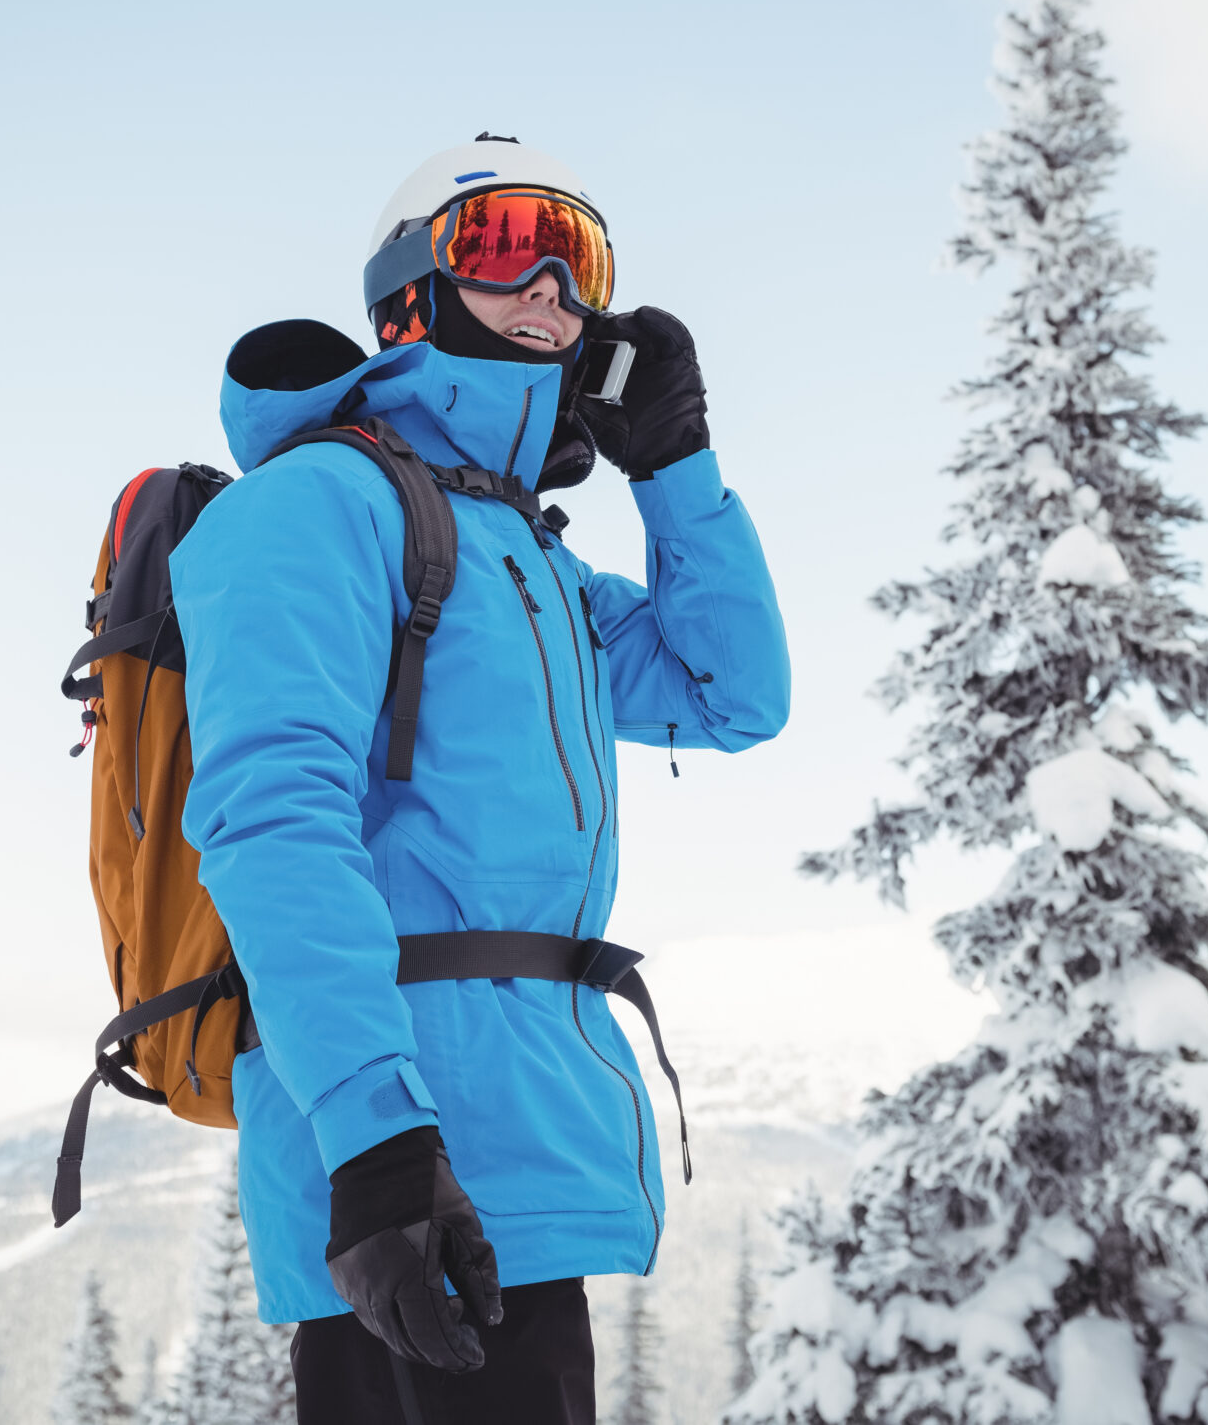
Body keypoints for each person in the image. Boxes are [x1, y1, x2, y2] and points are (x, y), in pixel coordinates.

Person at [169, 137, 791, 1423]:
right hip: (407, 1155)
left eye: (580, 259)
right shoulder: (318, 504)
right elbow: (269, 820)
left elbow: (735, 692)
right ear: (410, 293)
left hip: (523, 1139)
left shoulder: (527, 558)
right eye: (506, 242)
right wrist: (378, 1143)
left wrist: (671, 463)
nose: (553, 285)